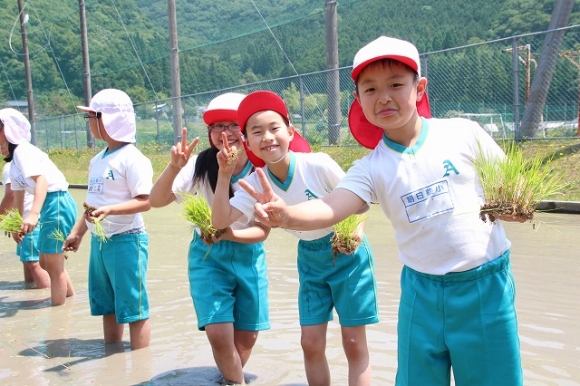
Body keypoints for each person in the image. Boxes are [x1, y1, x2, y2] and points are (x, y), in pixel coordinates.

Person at [245, 36, 524, 385]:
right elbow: (331, 206)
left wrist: (516, 207)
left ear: (419, 88)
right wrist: (287, 216)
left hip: (483, 284)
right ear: (358, 100)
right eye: (371, 89)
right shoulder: (371, 167)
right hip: (420, 292)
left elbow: (511, 188)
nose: (384, 97)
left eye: (396, 85)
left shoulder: (463, 133)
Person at [212, 90, 379, 386]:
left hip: (348, 255)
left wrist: (355, 230)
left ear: (290, 132)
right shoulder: (253, 183)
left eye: (275, 128)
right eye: (257, 132)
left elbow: (361, 202)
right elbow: (220, 221)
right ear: (247, 142)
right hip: (310, 259)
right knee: (310, 343)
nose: (267, 137)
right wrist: (225, 174)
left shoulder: (318, 163)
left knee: (354, 342)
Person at [149, 92, 270, 385]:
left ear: (246, 129)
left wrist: (230, 233)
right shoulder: (201, 164)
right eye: (217, 126)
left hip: (248, 253)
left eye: (232, 125)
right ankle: (236, 382)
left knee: (246, 338)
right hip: (207, 255)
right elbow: (157, 200)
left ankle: (228, 378)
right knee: (218, 333)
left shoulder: (261, 167)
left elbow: (262, 230)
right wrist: (175, 166)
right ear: (209, 133)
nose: (224, 133)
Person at [63, 89, 152, 350]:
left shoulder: (133, 159)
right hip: (100, 242)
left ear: (109, 120)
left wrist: (111, 211)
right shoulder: (97, 160)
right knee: (107, 304)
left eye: (91, 117)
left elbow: (146, 201)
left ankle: (139, 366)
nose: (89, 123)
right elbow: (92, 204)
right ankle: (112, 355)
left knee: (133, 307)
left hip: (127, 240)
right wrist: (78, 233)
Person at [0, 108, 76, 306]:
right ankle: (69, 297)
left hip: (57, 201)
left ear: (7, 130)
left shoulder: (23, 151)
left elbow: (41, 181)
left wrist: (33, 214)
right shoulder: (14, 161)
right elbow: (18, 194)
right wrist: (16, 224)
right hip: (49, 205)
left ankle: (57, 314)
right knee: (45, 262)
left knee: (52, 264)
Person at [1, 160, 50, 289]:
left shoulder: (10, 166)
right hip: (29, 219)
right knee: (28, 260)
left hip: (29, 221)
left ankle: (46, 297)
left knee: (33, 263)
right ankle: (31, 292)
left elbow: (10, 196)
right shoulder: (26, 164)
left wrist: (3, 219)